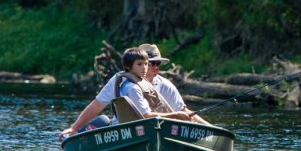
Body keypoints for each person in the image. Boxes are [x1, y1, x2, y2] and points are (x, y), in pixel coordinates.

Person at [59, 44, 208, 141]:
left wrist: (212, 129)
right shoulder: (121, 81)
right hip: (122, 135)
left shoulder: (166, 86)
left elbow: (184, 111)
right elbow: (97, 105)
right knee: (104, 120)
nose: (155, 67)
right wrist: (74, 128)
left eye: (158, 63)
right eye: (151, 63)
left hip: (160, 134)